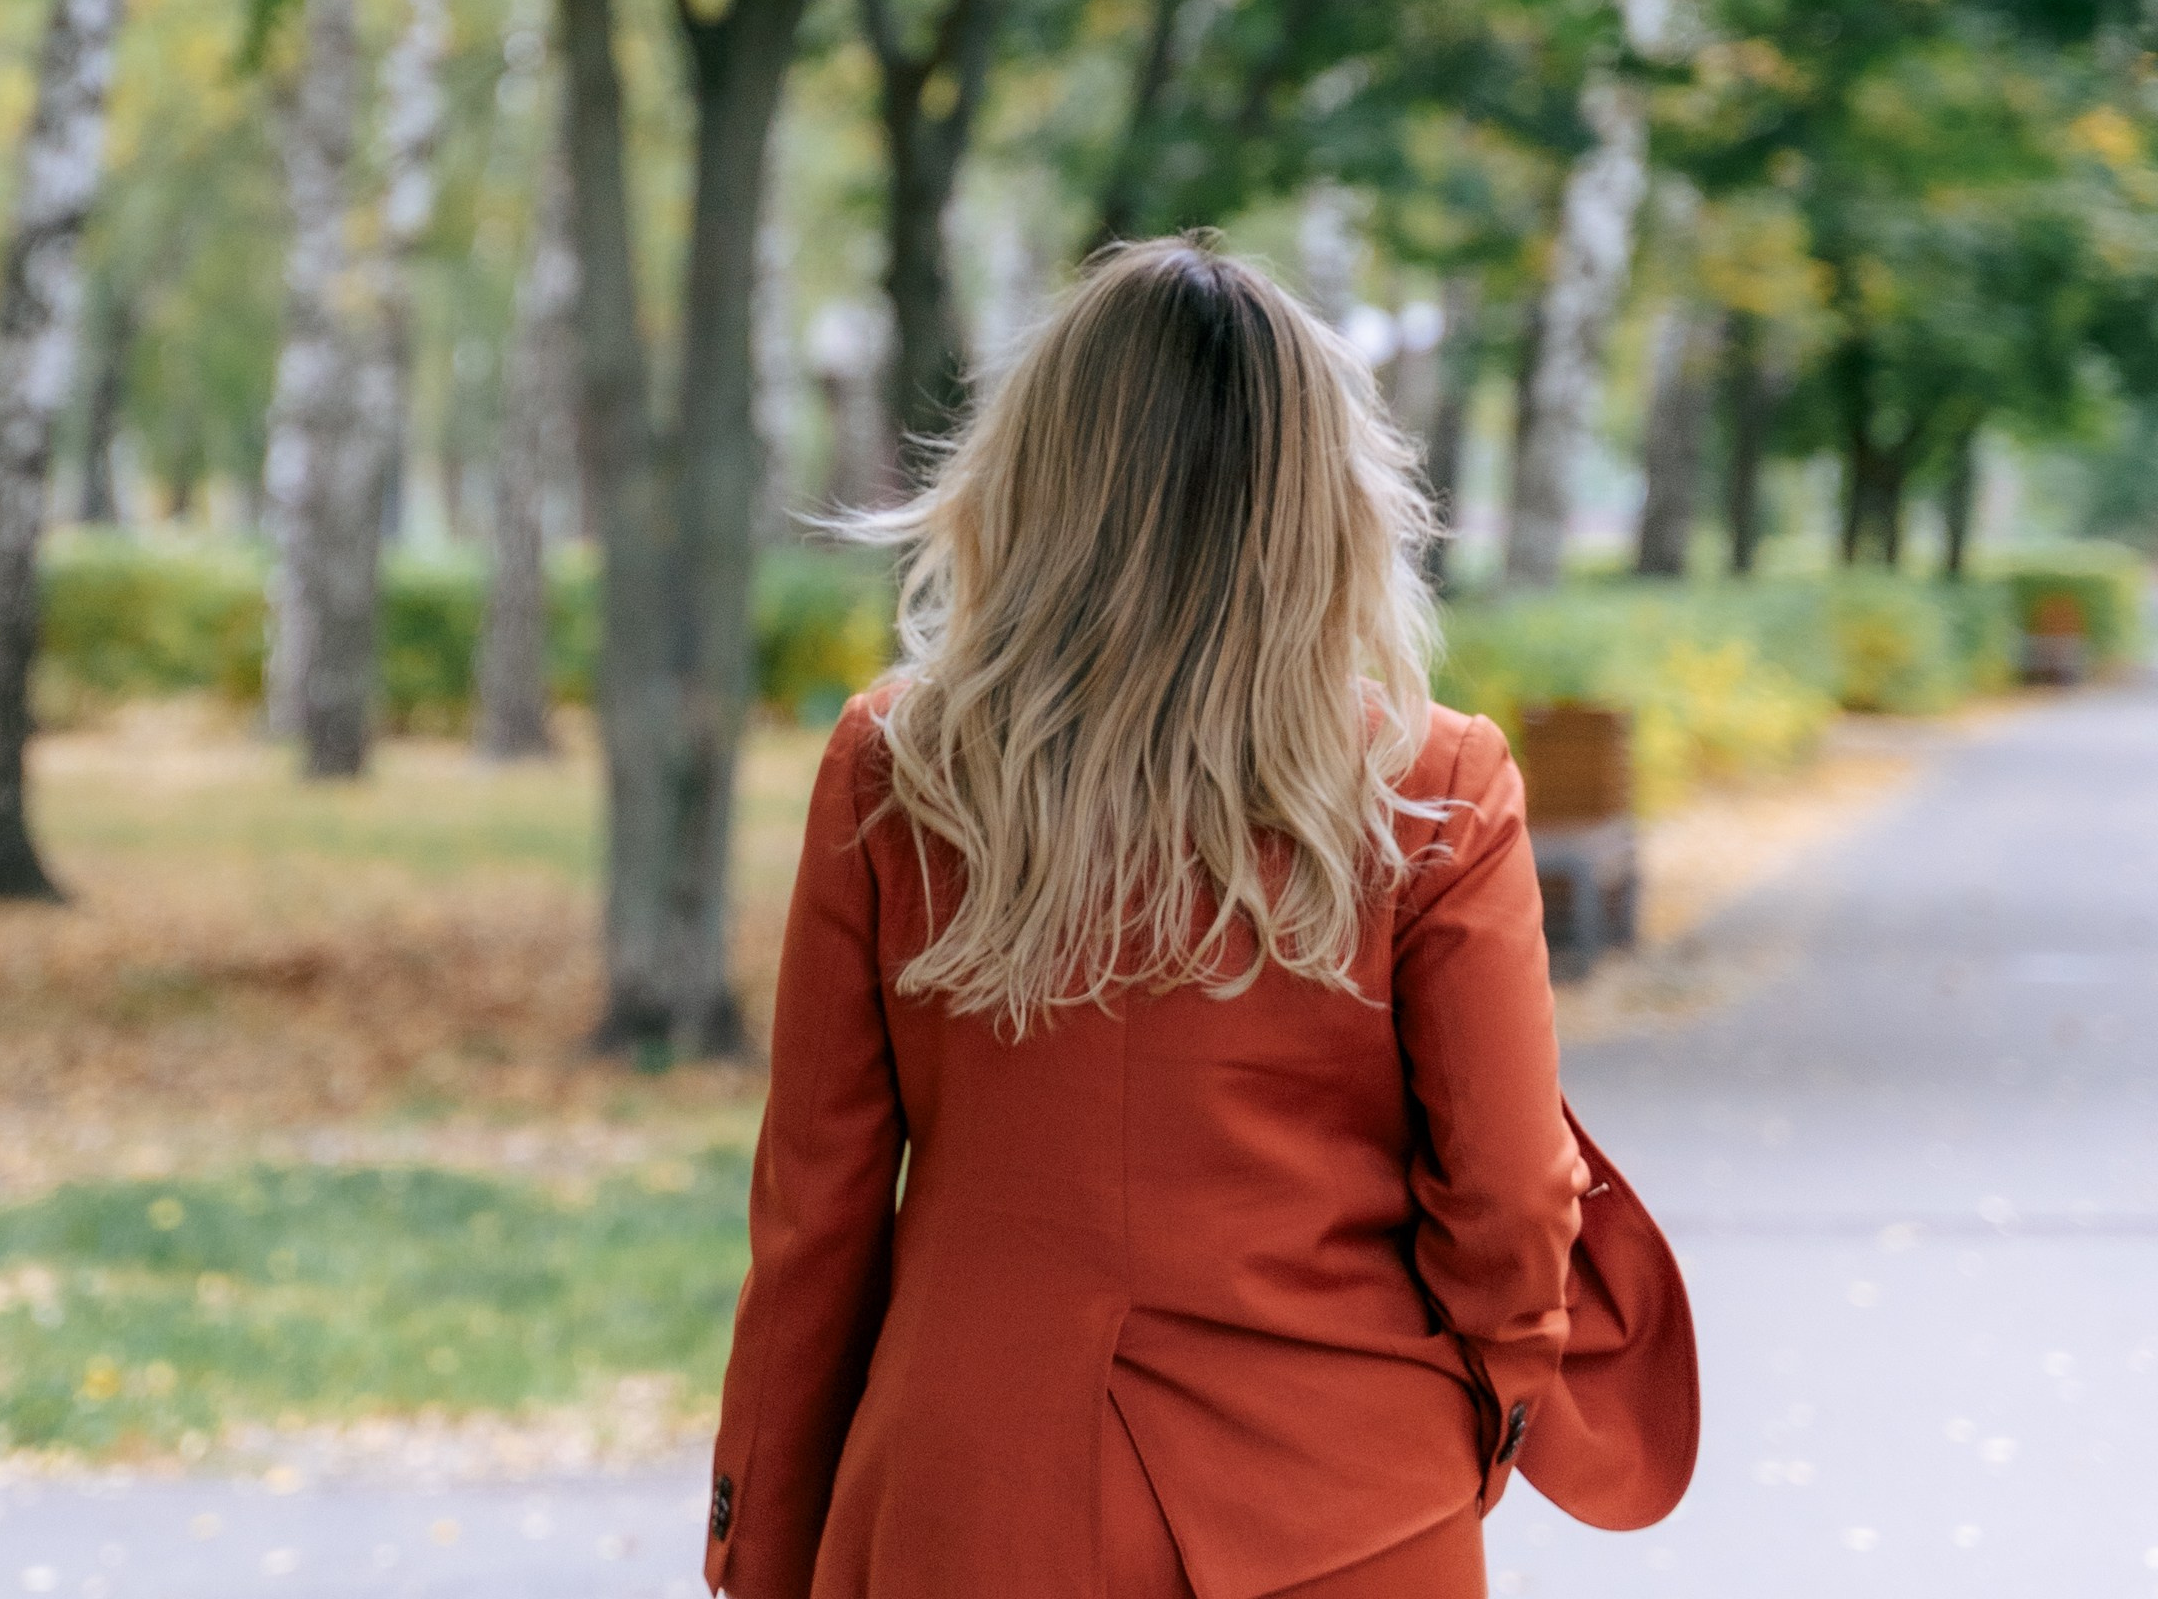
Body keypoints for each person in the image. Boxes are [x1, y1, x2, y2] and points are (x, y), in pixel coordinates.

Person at [706, 237, 1691, 1599]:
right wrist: (1480, 1414)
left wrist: (760, 1553)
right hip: (1345, 1505)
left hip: (971, 1508)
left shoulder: (899, 768)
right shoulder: (1429, 781)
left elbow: (815, 1217)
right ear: (1328, 499)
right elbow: (1512, 1199)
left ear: (1033, 477)